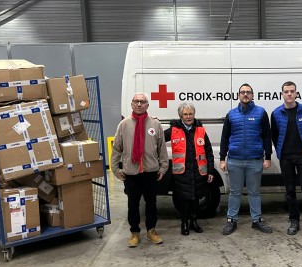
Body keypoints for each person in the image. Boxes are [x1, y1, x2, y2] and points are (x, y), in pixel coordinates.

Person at [111, 92, 169, 248]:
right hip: (131, 173)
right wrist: (115, 169)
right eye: (136, 101)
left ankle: (151, 230)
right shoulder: (124, 125)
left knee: (151, 203)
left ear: (147, 105)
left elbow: (162, 148)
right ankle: (135, 232)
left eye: (142, 102)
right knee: (133, 204)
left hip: (150, 172)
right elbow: (117, 148)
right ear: (131, 104)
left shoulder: (155, 125)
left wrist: (163, 167)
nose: (139, 104)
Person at [219, 83, 273, 235]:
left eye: (248, 92)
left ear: (253, 95)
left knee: (254, 192)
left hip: (254, 160)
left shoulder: (261, 113)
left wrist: (267, 157)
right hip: (234, 160)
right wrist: (222, 158)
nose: (245, 95)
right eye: (242, 92)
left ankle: (256, 220)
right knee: (234, 192)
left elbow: (267, 136)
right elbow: (225, 138)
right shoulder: (231, 114)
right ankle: (231, 220)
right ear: (238, 95)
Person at [271, 81, 302, 243]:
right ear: (282, 94)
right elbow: (274, 135)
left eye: (292, 91)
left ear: (296, 93)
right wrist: (281, 152)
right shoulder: (276, 113)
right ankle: (294, 221)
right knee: (290, 192)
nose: (290, 94)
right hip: (286, 158)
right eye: (286, 91)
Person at [164, 102, 215, 236]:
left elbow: (208, 151)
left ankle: (194, 221)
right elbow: (157, 139)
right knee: (185, 199)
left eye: (190, 114)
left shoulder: (201, 130)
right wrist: (153, 124)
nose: (188, 116)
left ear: (194, 114)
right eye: (185, 114)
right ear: (181, 115)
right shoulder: (174, 130)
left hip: (198, 171)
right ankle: (184, 222)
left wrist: (210, 170)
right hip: (182, 172)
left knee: (196, 198)